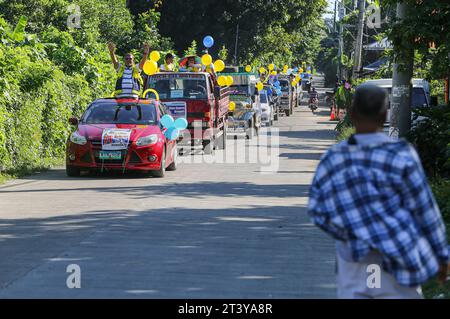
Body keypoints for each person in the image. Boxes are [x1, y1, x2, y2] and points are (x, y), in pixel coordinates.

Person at [308, 84, 449, 299]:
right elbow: (424, 210)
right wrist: (442, 256)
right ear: (384, 114)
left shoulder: (335, 158)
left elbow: (318, 210)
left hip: (354, 264)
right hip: (400, 260)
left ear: (352, 114)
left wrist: (351, 233)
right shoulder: (402, 154)